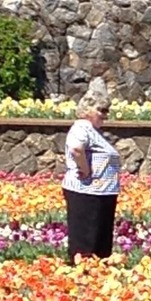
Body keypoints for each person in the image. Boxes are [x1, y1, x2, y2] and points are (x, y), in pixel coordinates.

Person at [61, 77, 120, 262]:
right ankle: (84, 275)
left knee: (99, 239)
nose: (105, 114)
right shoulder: (82, 126)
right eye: (101, 110)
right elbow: (76, 148)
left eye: (107, 110)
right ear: (87, 109)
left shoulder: (94, 131)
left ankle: (96, 274)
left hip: (100, 192)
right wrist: (85, 170)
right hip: (86, 191)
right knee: (86, 238)